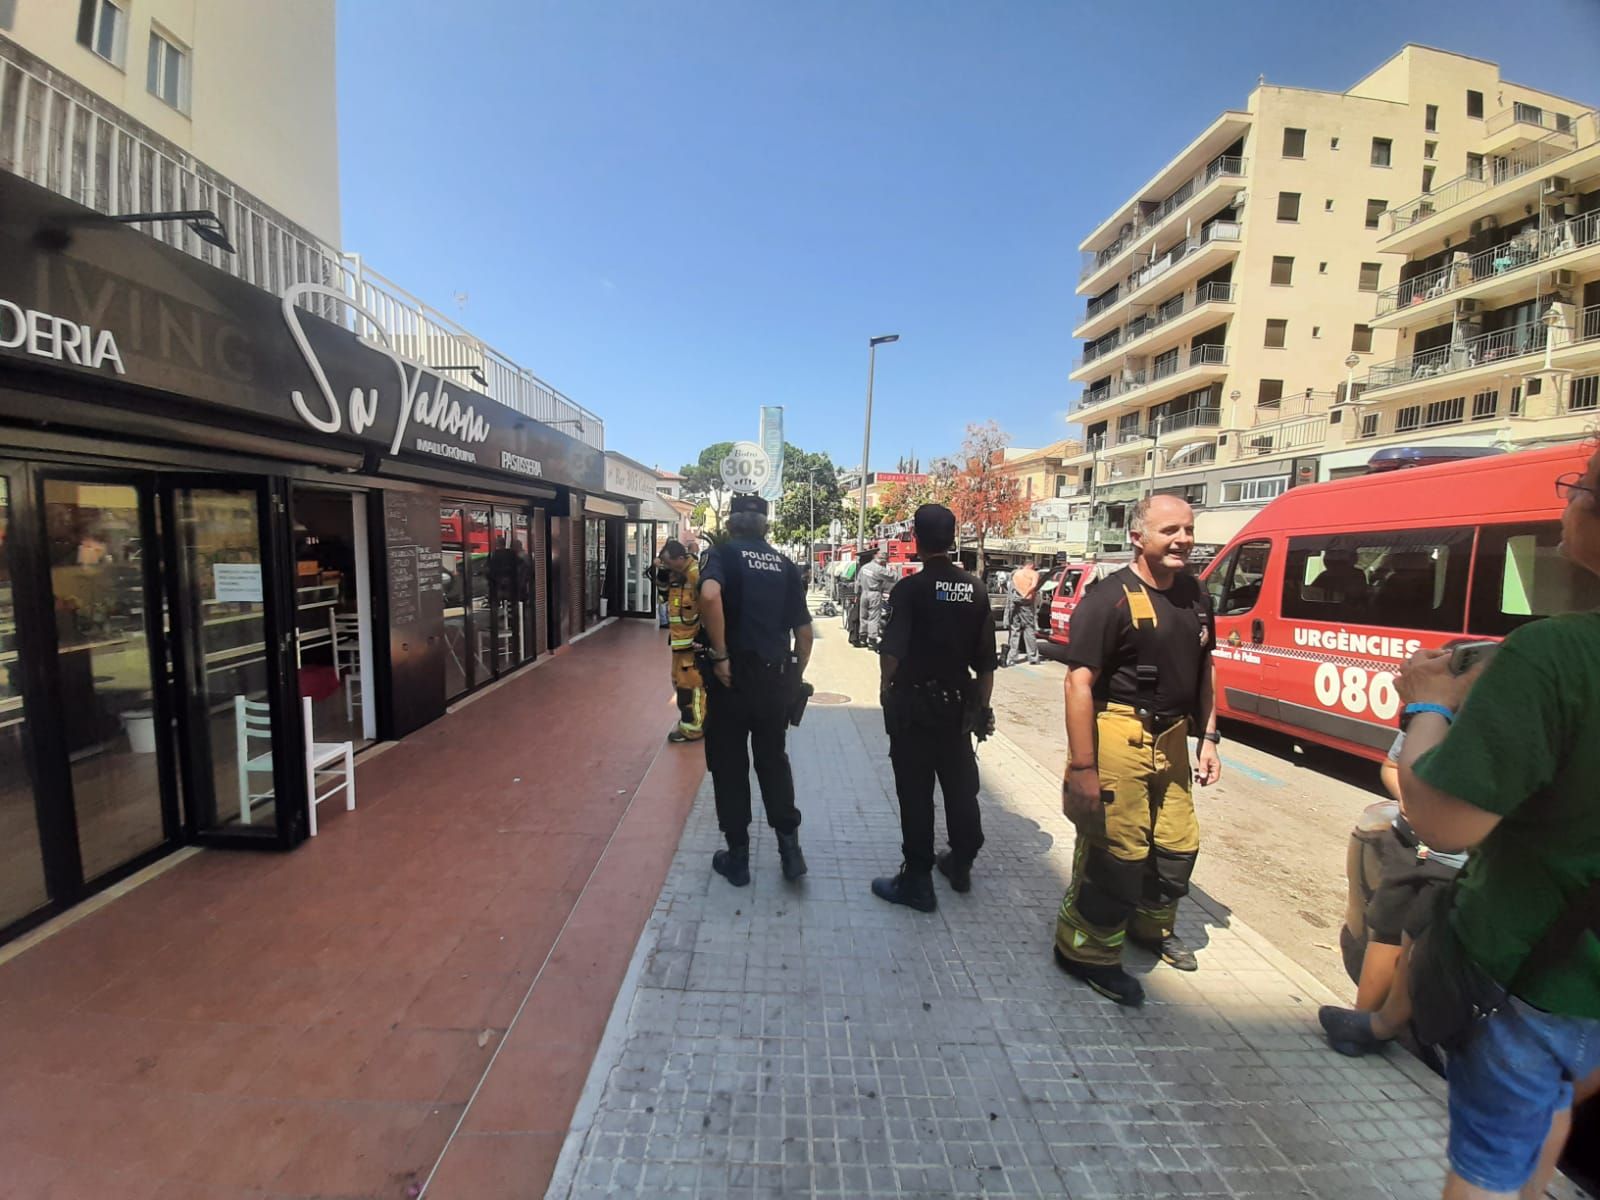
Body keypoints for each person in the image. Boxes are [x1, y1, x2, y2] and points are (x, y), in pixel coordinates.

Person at [1319, 445, 1600, 1200]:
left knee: (1483, 1165)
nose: (1566, 503)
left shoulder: (1559, 655)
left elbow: (1443, 822)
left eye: (1578, 489)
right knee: (1551, 1115)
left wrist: (1430, 704)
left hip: (1533, 969)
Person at [1054, 493, 1222, 1006]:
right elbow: (1077, 684)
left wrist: (1210, 738)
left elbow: (1207, 669)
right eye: (1169, 530)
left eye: (1188, 529)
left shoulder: (1196, 595)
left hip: (1172, 739)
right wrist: (1084, 767)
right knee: (1118, 853)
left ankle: (1150, 929)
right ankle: (1085, 951)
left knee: (1176, 847)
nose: (1183, 540)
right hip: (1120, 737)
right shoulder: (1109, 599)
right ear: (1137, 537)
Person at [871, 504, 998, 912]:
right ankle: (961, 861)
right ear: (953, 537)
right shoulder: (975, 589)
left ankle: (918, 879)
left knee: (916, 791)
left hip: (915, 706)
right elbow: (986, 664)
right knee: (961, 787)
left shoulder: (910, 589)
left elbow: (891, 652)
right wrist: (980, 709)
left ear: (916, 539)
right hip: (959, 706)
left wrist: (885, 687)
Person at [698, 494, 814, 886]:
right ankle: (790, 851)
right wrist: (793, 677)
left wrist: (720, 654)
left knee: (730, 765)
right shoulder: (784, 564)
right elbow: (805, 634)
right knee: (773, 761)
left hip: (731, 681)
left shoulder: (722, 556)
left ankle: (738, 857)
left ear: (731, 522)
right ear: (765, 524)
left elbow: (710, 595)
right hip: (773, 680)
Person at [657, 540, 705, 744]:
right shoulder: (676, 573)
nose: (668, 567)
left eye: (670, 563)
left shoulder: (696, 574)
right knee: (678, 683)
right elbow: (663, 597)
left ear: (680, 558)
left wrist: (704, 637)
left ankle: (694, 729)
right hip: (678, 643)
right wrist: (660, 574)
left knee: (691, 687)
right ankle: (691, 722)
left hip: (692, 644)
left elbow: (710, 605)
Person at [1004, 559, 1043, 667]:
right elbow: (1034, 586)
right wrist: (1026, 594)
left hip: (1015, 603)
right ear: (1031, 565)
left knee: (1015, 630)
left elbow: (1011, 590)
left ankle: (1011, 658)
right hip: (1026, 603)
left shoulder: (1016, 574)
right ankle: (1033, 657)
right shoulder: (1034, 574)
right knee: (1029, 629)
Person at [857, 550, 893, 650]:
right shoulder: (879, 569)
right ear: (882, 560)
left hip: (864, 593)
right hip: (874, 593)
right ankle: (872, 640)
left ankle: (862, 638)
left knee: (863, 616)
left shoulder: (864, 567)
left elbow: (858, 582)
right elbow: (893, 577)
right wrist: (893, 570)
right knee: (873, 616)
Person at [843, 548, 874, 646]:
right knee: (857, 617)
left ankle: (859, 638)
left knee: (857, 616)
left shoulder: (864, 569)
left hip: (863, 595)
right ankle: (857, 638)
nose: (859, 562)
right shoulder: (865, 569)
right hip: (864, 595)